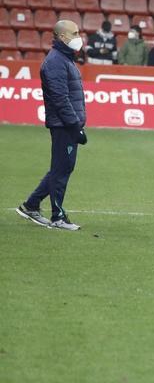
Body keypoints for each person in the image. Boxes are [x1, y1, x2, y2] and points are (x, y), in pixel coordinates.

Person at [15, 20, 88, 231]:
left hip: (66, 124)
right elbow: (61, 99)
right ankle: (58, 217)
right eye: (74, 33)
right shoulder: (56, 62)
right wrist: (75, 127)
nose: (78, 37)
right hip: (63, 125)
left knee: (61, 167)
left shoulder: (63, 59)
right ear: (63, 37)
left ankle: (31, 205)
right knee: (62, 170)